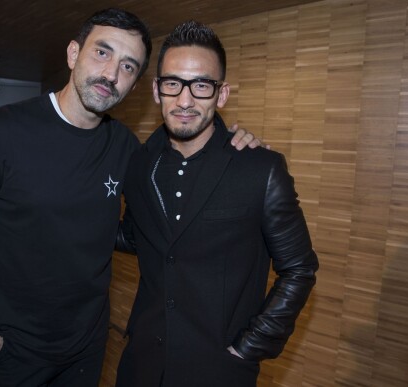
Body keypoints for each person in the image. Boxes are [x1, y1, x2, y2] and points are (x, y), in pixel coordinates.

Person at [0, 8, 259, 387]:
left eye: (129, 66)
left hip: (87, 347)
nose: (112, 74)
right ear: (72, 54)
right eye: (103, 52)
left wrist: (232, 143)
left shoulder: (128, 149)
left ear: (135, 85)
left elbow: (184, 171)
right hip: (14, 350)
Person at [114, 20, 319, 387]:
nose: (186, 100)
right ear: (158, 91)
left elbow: (299, 269)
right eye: (173, 83)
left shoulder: (260, 168)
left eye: (202, 86)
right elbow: (137, 235)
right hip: (141, 364)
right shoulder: (140, 164)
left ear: (221, 94)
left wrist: (250, 346)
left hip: (219, 371)